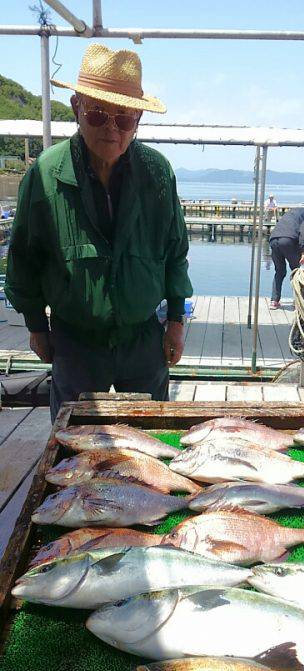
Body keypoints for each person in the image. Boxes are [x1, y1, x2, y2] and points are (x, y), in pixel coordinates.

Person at [5, 43, 192, 422]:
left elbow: (176, 252)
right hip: (75, 339)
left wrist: (175, 321)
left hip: (142, 337)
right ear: (76, 108)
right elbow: (23, 259)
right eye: (97, 114)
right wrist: (37, 327)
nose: (112, 128)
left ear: (138, 118)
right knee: (72, 438)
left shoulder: (159, 173)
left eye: (124, 119)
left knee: (148, 435)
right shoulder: (43, 175)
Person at [269, 202, 304, 309]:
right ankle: (299, 301)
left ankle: (274, 301)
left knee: (279, 271)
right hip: (288, 240)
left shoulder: (294, 211)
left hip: (273, 239)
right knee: (298, 271)